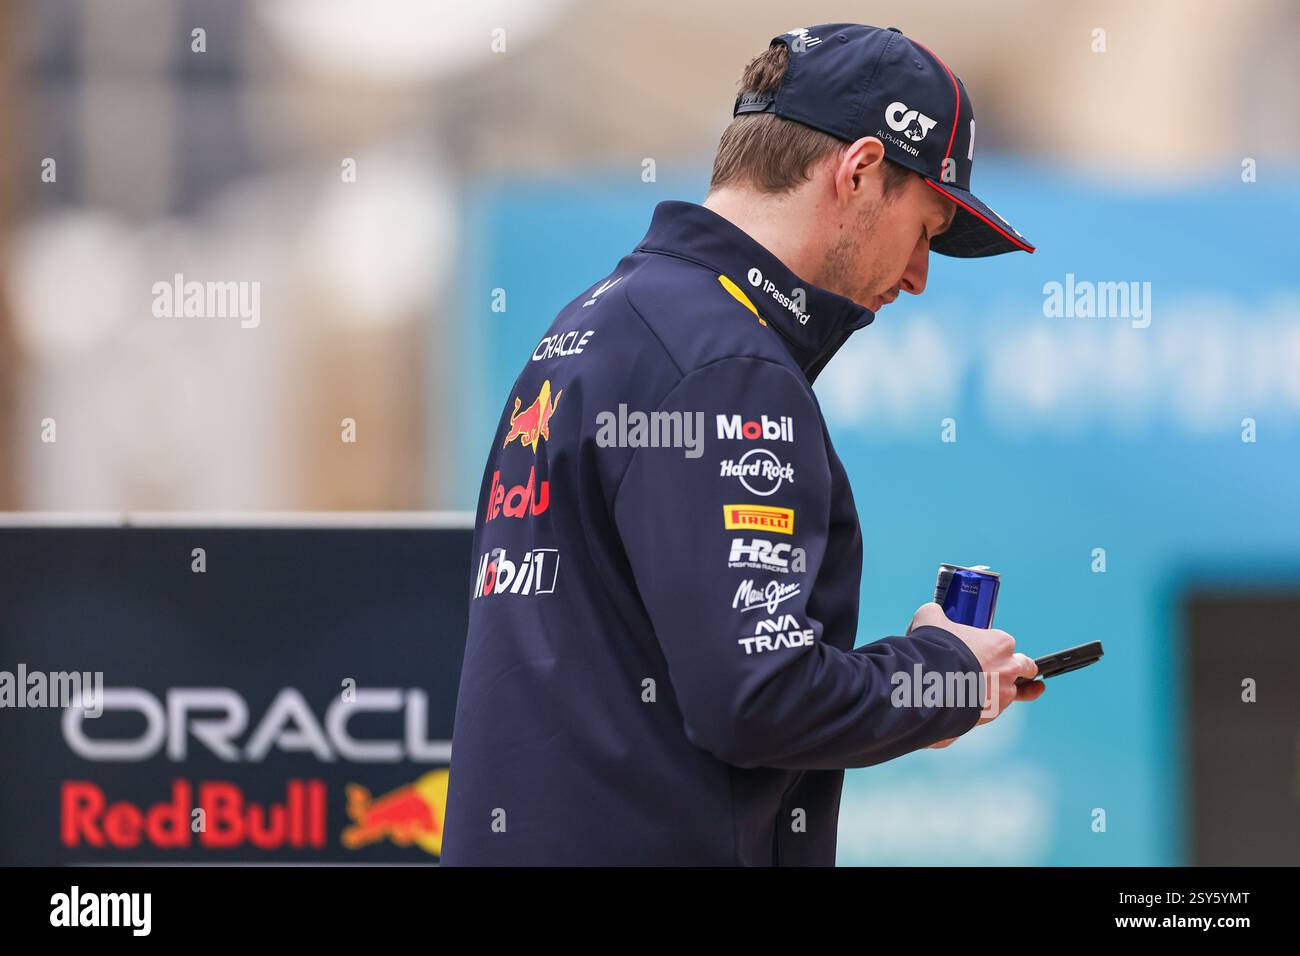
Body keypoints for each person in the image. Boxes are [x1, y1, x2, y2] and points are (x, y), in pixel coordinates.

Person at [442, 22, 1043, 867]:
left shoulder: (599, 321)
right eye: (927, 229)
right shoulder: (726, 364)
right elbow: (756, 697)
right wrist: (939, 679)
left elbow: (696, 680)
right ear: (860, 169)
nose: (918, 275)